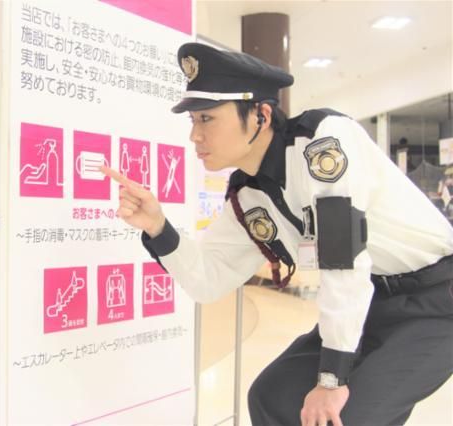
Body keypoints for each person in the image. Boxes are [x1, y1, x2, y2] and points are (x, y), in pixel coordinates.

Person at [100, 42, 453, 426]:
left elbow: (344, 261)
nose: (195, 136)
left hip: (438, 301)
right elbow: (207, 280)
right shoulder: (248, 194)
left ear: (260, 115)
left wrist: (331, 380)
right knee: (271, 395)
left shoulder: (322, 141)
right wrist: (157, 226)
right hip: (371, 301)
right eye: (193, 121)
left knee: (348, 416)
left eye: (207, 119)